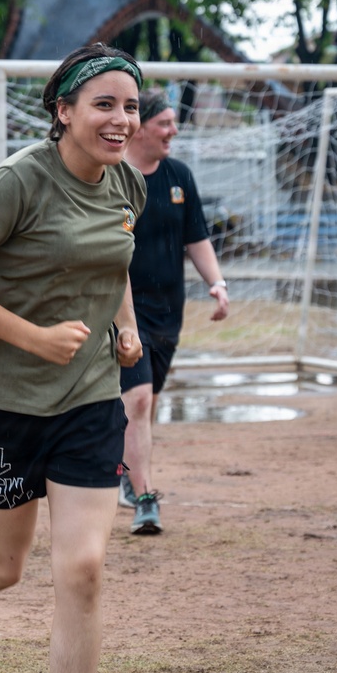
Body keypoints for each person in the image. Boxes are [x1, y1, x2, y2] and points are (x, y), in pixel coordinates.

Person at [0, 43, 147, 673]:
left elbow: (116, 261)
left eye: (131, 107)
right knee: (4, 566)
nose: (121, 121)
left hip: (90, 398)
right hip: (0, 400)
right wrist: (34, 338)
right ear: (63, 110)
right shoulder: (16, 181)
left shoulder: (128, 182)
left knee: (82, 570)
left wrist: (125, 329)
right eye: (103, 104)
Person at [117, 88, 230, 534]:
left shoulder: (179, 175)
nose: (173, 131)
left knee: (144, 404)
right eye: (164, 123)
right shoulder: (113, 177)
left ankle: (125, 470)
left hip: (169, 312)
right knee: (139, 400)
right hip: (122, 309)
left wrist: (216, 284)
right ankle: (146, 498)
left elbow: (196, 238)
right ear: (140, 127)